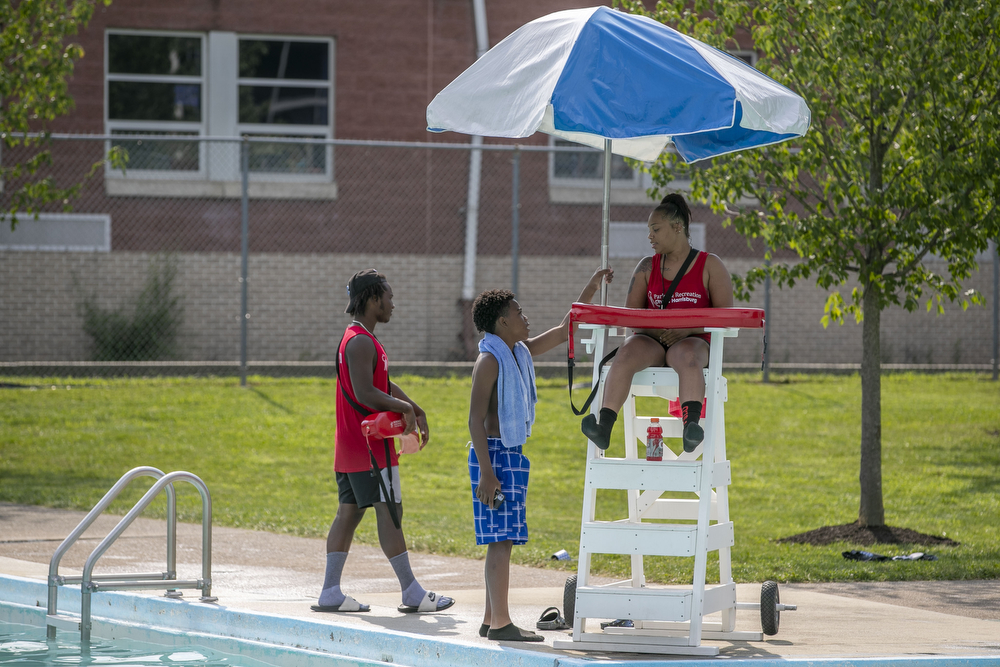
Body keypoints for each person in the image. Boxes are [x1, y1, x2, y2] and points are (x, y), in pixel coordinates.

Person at [468, 268, 612, 641]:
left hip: (508, 456)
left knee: (505, 539)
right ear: (502, 321)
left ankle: (490, 619)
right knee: (500, 541)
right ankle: (501, 624)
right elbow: (474, 420)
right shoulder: (490, 361)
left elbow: (566, 329)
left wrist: (591, 288)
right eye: (518, 312)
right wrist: (487, 473)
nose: (525, 317)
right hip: (494, 458)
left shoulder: (518, 352)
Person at [313, 269, 455, 615]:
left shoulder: (357, 338)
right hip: (369, 449)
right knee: (391, 512)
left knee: (348, 514)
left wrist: (413, 407)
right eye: (389, 297)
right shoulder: (361, 341)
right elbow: (365, 392)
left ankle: (330, 591)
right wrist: (402, 408)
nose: (393, 303)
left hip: (350, 447)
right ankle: (411, 592)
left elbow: (382, 385)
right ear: (374, 299)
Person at [580, 193, 733, 453]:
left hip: (692, 342)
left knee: (687, 356)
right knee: (627, 351)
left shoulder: (710, 265)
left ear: (677, 227)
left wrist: (686, 330)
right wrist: (657, 330)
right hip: (651, 340)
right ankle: (604, 427)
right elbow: (631, 316)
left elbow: (725, 316)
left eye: (656, 229)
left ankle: (691, 427)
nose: (650, 236)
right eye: (649, 230)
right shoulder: (646, 267)